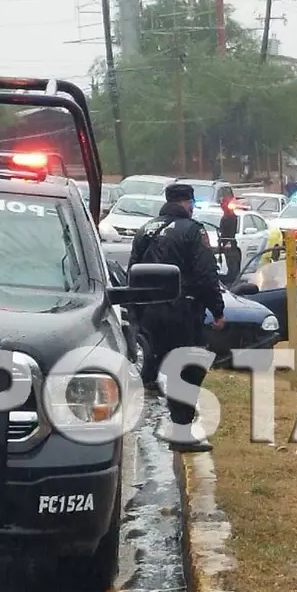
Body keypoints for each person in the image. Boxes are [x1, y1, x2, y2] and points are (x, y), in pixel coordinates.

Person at [129, 183, 226, 451]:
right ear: (188, 202)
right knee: (188, 366)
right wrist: (217, 310)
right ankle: (181, 432)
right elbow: (207, 274)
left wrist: (135, 312)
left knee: (161, 367)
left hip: (149, 312)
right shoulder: (193, 231)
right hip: (182, 310)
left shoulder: (145, 229)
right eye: (192, 202)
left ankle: (166, 425)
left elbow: (132, 271)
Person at [217, 198, 242, 283]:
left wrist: (227, 242)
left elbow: (230, 231)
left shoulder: (231, 216)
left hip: (229, 243)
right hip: (224, 243)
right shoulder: (225, 216)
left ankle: (232, 278)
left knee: (232, 262)